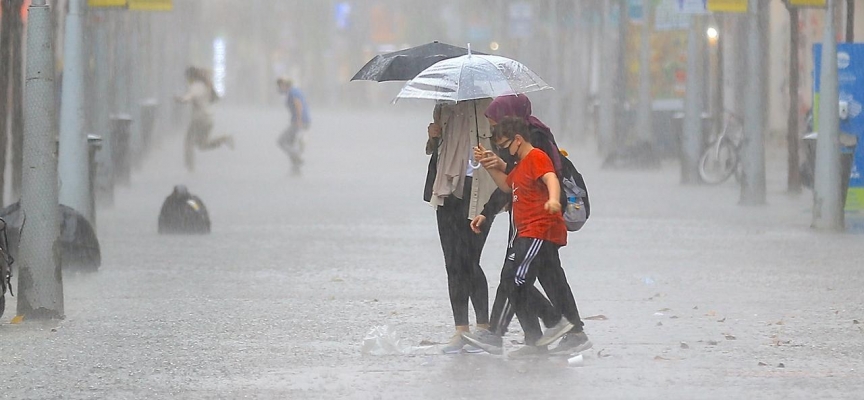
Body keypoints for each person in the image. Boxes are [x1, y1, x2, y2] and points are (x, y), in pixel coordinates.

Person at [466, 114, 590, 357]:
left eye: (504, 146)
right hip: (527, 231)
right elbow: (506, 186)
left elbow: (551, 178)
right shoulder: (521, 165)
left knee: (514, 281)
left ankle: (554, 321)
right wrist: (488, 167)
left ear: (518, 140)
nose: (504, 152)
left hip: (537, 230)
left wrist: (554, 199)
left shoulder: (536, 157)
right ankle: (538, 337)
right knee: (516, 281)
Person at [424, 98, 499, 354]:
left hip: (480, 191)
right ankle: (461, 329)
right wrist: (433, 136)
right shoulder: (443, 106)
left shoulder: (489, 107)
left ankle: (484, 327)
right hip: (447, 189)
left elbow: (504, 148)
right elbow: (436, 150)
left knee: (470, 260)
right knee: (452, 262)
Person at [175, 66, 234, 172]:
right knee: (202, 145)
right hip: (207, 119)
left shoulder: (197, 85)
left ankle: (190, 167)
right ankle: (224, 139)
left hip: (199, 119)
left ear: (191, 76)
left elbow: (191, 96)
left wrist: (181, 99)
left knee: (188, 142)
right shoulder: (205, 85)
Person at [276, 77, 311, 175]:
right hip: (301, 121)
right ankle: (295, 164)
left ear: (284, 85)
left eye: (280, 86)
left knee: (281, 141)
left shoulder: (292, 92)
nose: (279, 88)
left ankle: (297, 158)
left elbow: (298, 104)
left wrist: (299, 120)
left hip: (299, 122)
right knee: (290, 143)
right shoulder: (294, 91)